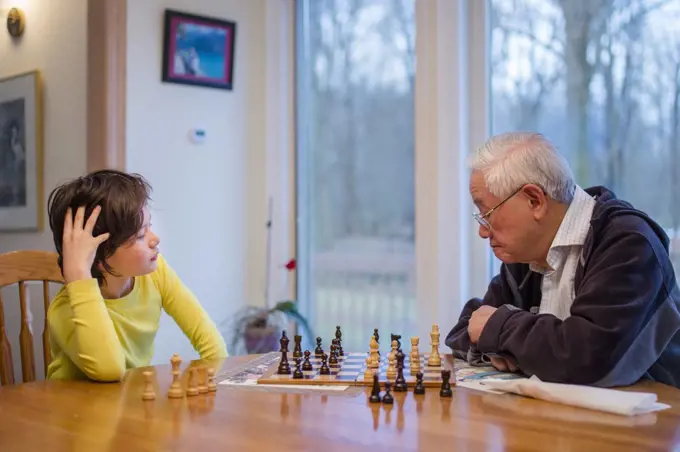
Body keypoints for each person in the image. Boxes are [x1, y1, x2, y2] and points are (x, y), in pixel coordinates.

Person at [446, 131, 680, 388]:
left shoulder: (628, 243)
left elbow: (588, 358)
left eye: (487, 214)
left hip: (652, 417)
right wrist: (500, 339)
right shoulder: (525, 255)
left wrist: (502, 333)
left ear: (534, 200)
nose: (482, 231)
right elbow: (470, 325)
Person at [46, 169, 227, 381]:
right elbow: (110, 370)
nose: (155, 238)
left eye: (149, 226)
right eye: (141, 235)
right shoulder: (65, 310)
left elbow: (210, 341)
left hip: (129, 401)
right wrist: (78, 274)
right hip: (76, 409)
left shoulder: (156, 273)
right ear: (100, 254)